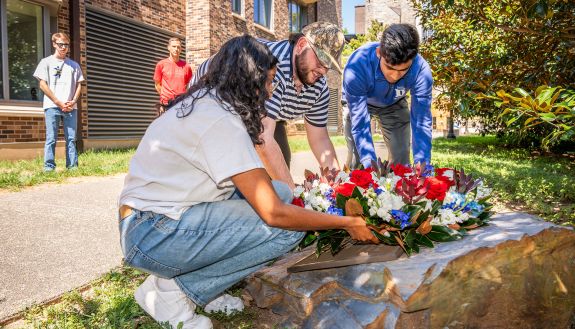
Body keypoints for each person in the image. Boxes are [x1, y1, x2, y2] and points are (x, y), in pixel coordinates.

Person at [118, 35, 377, 329]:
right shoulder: (221, 122)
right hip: (152, 234)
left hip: (152, 220)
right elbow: (274, 214)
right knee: (286, 230)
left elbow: (269, 192)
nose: (270, 92)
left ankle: (183, 286)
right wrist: (346, 223)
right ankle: (178, 294)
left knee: (280, 191)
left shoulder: (208, 102)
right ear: (247, 81)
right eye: (267, 83)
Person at [191, 22, 345, 190]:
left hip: (259, 114)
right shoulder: (274, 64)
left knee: (281, 162)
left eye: (328, 65)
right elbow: (262, 138)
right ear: (301, 45)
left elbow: (320, 139)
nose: (323, 70)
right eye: (321, 59)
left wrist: (338, 187)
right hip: (211, 99)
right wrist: (295, 197)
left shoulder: (319, 87)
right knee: (240, 172)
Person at [343, 24, 433, 168]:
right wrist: (369, 167)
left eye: (403, 70)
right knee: (358, 159)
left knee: (401, 159)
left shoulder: (421, 70)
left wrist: (422, 162)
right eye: (390, 67)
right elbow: (360, 125)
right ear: (379, 53)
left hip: (394, 103)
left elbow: (421, 121)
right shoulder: (357, 66)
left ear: (413, 59)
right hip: (362, 102)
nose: (395, 75)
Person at [33, 32, 85, 172]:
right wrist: (58, 102)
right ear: (54, 44)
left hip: (70, 108)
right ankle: (49, 167)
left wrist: (73, 101)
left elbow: (79, 84)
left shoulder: (74, 65)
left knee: (71, 139)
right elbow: (42, 85)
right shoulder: (46, 62)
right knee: (51, 138)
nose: (64, 48)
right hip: (52, 106)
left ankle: (72, 166)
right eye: (61, 44)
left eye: (66, 45)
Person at [154, 37, 193, 116]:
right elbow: (157, 84)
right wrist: (165, 97)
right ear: (168, 48)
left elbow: (189, 84)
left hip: (181, 104)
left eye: (178, 47)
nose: (176, 49)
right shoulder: (161, 64)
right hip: (166, 105)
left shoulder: (186, 67)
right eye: (174, 46)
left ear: (181, 49)